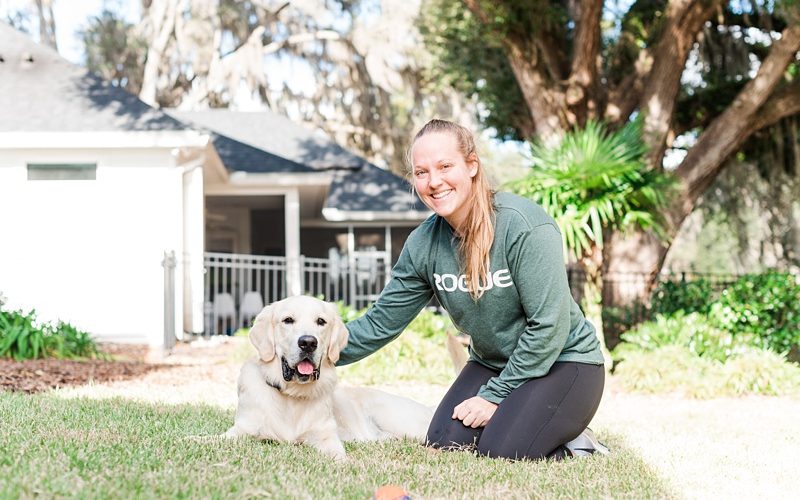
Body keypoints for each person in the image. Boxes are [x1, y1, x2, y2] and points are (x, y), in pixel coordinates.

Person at [336, 119, 606, 460]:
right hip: (493, 361)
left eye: (445, 166)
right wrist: (316, 351)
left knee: (502, 451)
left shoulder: (524, 226)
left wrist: (494, 396)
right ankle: (528, 418)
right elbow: (380, 323)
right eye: (421, 172)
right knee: (445, 442)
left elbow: (549, 328)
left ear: (472, 165)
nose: (434, 182)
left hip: (565, 362)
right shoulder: (423, 245)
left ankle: (575, 440)